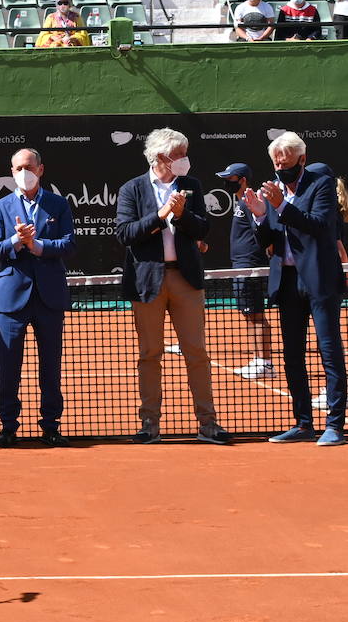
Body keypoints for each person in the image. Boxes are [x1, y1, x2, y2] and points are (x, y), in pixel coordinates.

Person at [115, 128, 230, 445]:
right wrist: (160, 214)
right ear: (162, 157)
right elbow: (125, 233)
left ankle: (208, 424)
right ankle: (149, 424)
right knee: (150, 354)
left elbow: (203, 228)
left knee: (196, 352)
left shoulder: (192, 185)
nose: (185, 160)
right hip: (147, 283)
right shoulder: (132, 189)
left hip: (186, 279)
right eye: (180, 154)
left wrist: (181, 216)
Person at [242, 132, 346, 445]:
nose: (281, 168)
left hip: (319, 280)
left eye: (286, 163)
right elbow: (268, 242)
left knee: (329, 351)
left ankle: (335, 425)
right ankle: (303, 424)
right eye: (276, 164)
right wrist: (261, 215)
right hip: (286, 283)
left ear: (302, 159)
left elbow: (318, 225)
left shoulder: (320, 185)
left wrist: (280, 206)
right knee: (292, 355)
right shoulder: (272, 191)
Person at [0, 148, 76, 447]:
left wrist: (36, 245)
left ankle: (50, 426)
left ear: (40, 169)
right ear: (11, 172)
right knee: (8, 367)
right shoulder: (0, 207)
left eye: (28, 166)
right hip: (11, 299)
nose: (22, 172)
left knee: (50, 367)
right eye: (17, 168)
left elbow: (68, 244)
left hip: (49, 297)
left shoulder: (58, 205)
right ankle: (8, 427)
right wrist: (16, 241)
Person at [216, 162, 275, 381]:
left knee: (256, 315)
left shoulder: (252, 199)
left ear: (242, 180)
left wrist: (267, 253)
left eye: (230, 179)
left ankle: (265, 363)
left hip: (250, 265)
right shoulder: (242, 200)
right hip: (242, 265)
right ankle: (258, 360)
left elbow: (262, 229)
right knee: (250, 315)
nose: (226, 183)